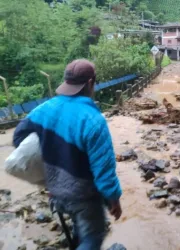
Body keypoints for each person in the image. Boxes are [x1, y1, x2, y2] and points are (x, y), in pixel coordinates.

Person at [13, 59, 122, 250]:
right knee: (93, 236)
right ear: (90, 83)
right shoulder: (93, 120)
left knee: (79, 228)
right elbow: (104, 171)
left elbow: (19, 136)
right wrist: (114, 199)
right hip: (84, 198)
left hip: (55, 193)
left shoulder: (44, 109)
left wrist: (45, 166)